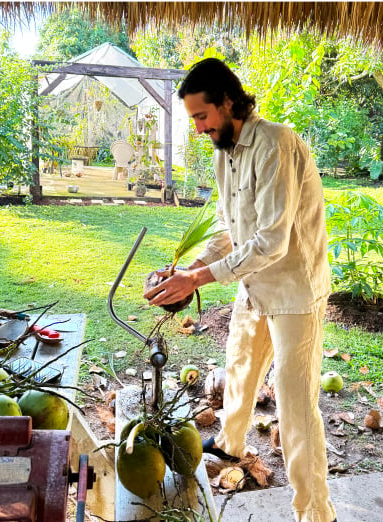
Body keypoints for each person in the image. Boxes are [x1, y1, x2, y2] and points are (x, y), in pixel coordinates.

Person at [144, 58, 336, 522]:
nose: (197, 127)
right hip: (253, 287)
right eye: (192, 119)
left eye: (201, 116)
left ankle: (316, 513)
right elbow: (229, 232)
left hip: (294, 293)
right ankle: (231, 445)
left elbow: (272, 240)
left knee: (295, 410)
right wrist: (188, 270)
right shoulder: (223, 153)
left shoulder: (276, 144)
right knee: (241, 367)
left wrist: (199, 279)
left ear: (228, 102)